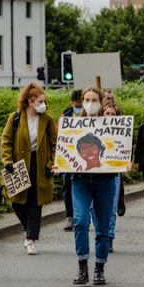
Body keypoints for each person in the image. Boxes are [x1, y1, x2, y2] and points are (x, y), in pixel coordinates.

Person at [63, 87, 122, 286]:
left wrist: (124, 163)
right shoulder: (73, 125)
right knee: (80, 221)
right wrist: (60, 164)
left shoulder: (112, 125)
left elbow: (120, 149)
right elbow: (65, 151)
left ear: (100, 102)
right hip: (80, 180)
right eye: (87, 99)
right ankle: (82, 266)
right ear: (82, 101)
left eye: (94, 99)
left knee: (103, 226)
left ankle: (99, 267)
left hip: (105, 180)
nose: (90, 103)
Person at [0, 83, 57, 256]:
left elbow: (55, 144)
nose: (43, 104)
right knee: (17, 202)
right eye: (40, 101)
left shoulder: (47, 120)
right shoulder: (15, 118)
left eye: (44, 101)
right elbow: (6, 141)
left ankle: (30, 238)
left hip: (40, 165)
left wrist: (51, 163)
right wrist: (7, 160)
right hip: (18, 165)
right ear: (30, 102)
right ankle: (29, 229)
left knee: (35, 202)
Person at [100, 103, 125, 253]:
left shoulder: (122, 133)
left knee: (111, 207)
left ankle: (108, 237)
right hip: (96, 172)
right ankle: (101, 234)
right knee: (94, 208)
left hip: (114, 173)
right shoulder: (92, 129)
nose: (109, 117)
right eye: (107, 114)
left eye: (113, 114)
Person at [60, 89, 84, 231]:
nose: (78, 108)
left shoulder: (91, 116)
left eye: (80, 106)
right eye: (76, 105)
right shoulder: (66, 115)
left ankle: (84, 216)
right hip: (69, 158)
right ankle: (70, 216)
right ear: (72, 103)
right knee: (67, 186)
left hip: (86, 157)